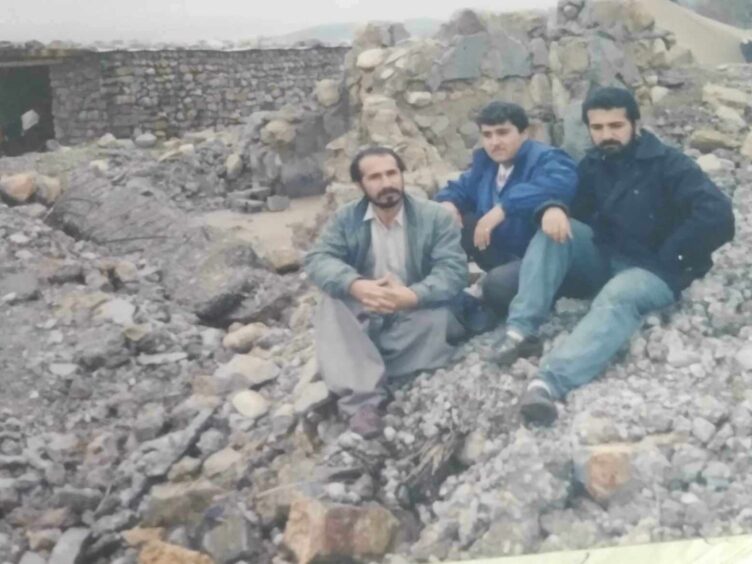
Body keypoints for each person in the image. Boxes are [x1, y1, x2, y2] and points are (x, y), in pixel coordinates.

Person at [492, 86, 735, 425]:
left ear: (635, 124)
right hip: (608, 257)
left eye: (616, 126)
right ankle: (520, 331)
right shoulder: (594, 164)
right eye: (598, 127)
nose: (607, 135)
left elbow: (718, 216)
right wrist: (552, 209)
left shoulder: (669, 164)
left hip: (654, 270)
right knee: (556, 228)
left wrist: (672, 257)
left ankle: (548, 383)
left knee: (618, 295)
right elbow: (574, 206)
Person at [305, 146, 468, 438]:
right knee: (333, 303)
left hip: (416, 311)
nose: (387, 183)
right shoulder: (346, 219)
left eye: (392, 173)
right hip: (370, 309)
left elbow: (454, 272)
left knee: (440, 321)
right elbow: (318, 260)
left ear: (402, 175)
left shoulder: (435, 217)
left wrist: (412, 295)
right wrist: (356, 284)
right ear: (360, 185)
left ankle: (356, 366)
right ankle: (363, 404)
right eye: (376, 177)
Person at [434, 101, 578, 320]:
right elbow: (460, 188)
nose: (495, 142)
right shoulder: (487, 164)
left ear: (524, 133)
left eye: (503, 133)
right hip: (503, 252)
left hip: (541, 261)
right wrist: (448, 203)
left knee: (496, 286)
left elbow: (560, 183)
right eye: (488, 135)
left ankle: (505, 301)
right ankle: (434, 290)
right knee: (449, 220)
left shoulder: (547, 157)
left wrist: (504, 207)